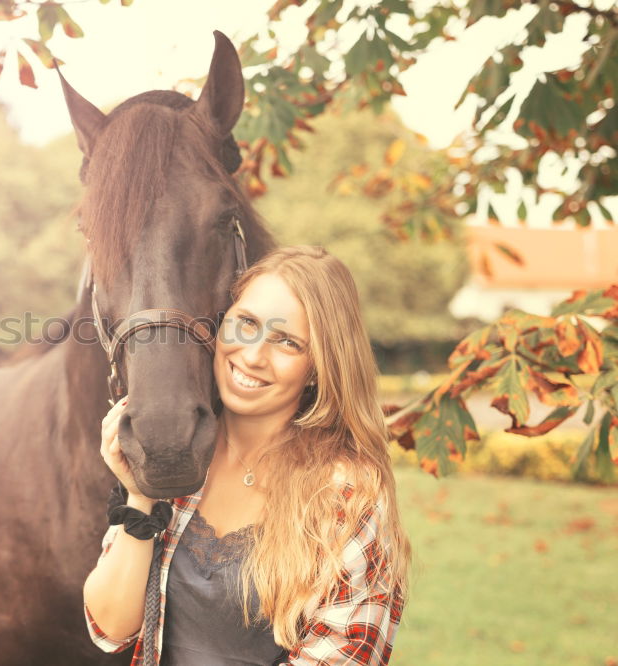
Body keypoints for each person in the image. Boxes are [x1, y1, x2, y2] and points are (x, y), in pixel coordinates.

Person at [83, 245, 411, 666]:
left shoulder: (347, 495)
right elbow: (110, 628)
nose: (253, 356)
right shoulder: (181, 450)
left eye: (288, 342)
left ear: (319, 367)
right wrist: (141, 493)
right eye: (246, 324)